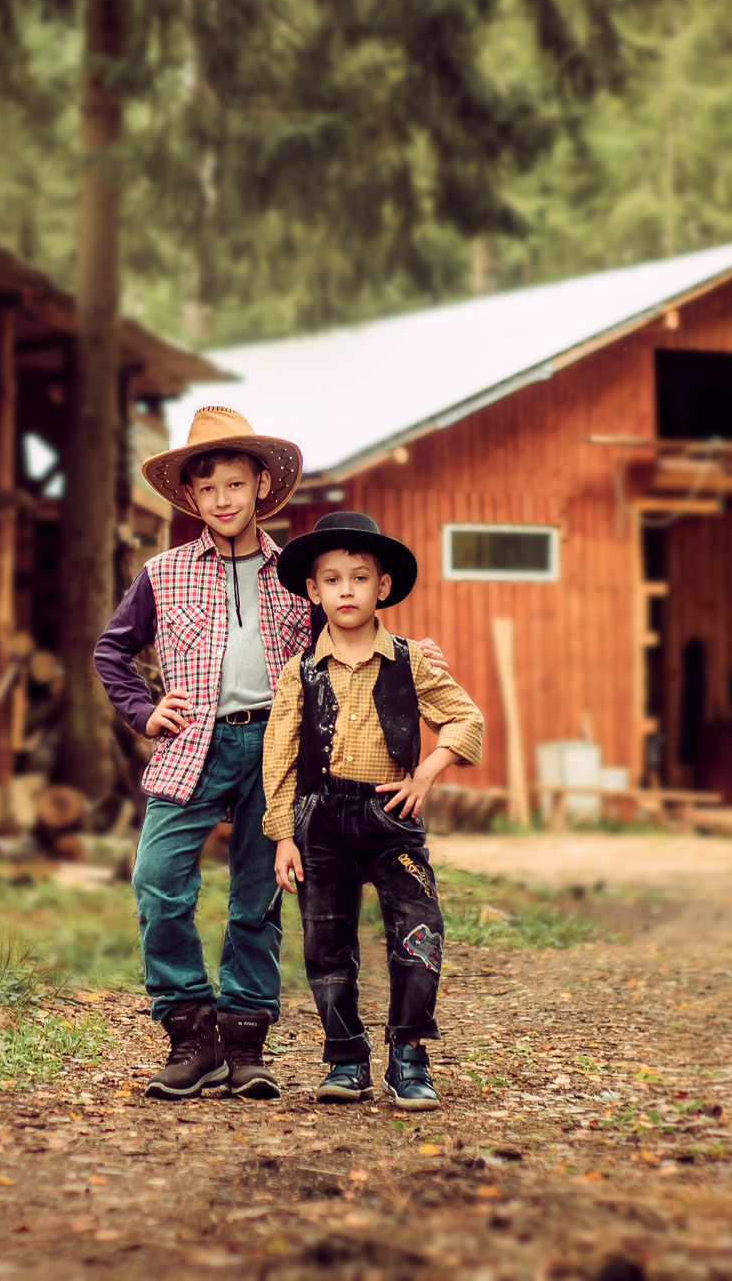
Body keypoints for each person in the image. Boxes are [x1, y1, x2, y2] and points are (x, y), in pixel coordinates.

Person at [94, 410, 448, 1099]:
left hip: (281, 751)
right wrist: (144, 709)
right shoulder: (162, 573)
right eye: (208, 489)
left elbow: (351, 631)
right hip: (191, 742)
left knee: (256, 899)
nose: (223, 499)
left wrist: (410, 654)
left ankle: (246, 1043)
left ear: (261, 485)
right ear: (191, 499)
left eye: (235, 483)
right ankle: (190, 1035)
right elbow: (113, 649)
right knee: (156, 882)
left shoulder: (297, 574)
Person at [263, 512, 484, 1110]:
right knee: (326, 941)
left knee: (420, 931)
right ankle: (345, 1058)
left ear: (381, 586)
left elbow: (467, 720)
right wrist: (284, 836)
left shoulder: (412, 661)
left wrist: (427, 773)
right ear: (314, 591)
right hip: (321, 820)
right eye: (331, 580)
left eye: (359, 577)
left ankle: (409, 1057)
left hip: (391, 819)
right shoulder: (299, 672)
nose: (346, 590)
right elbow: (279, 758)